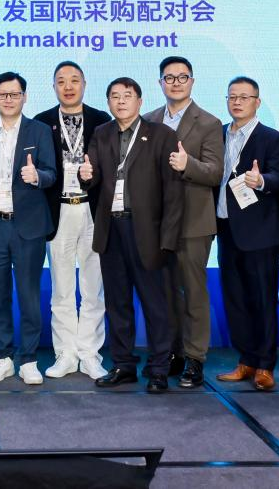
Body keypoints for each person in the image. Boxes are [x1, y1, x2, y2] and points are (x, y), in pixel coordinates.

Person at [81, 77, 184, 393]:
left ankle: (159, 369)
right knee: (117, 303)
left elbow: (173, 191)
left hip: (149, 234)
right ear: (108, 102)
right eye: (114, 96)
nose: (121, 101)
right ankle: (123, 364)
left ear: (140, 101)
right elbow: (92, 175)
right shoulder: (102, 133)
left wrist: (168, 239)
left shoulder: (161, 135)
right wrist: (85, 176)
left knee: (156, 305)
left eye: (127, 95)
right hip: (111, 229)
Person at [0, 73, 57, 385]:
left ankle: (29, 359)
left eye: (14, 94)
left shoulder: (40, 130)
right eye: (2, 95)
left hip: (28, 228)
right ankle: (2, 357)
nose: (8, 99)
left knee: (29, 295)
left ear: (24, 97)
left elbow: (52, 173)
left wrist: (38, 177)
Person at [143, 56, 224, 388]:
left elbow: (214, 172)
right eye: (169, 77)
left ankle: (195, 358)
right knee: (165, 294)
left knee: (193, 293)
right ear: (160, 83)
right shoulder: (148, 120)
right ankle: (172, 353)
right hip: (157, 224)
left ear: (192, 81)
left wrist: (187, 163)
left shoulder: (209, 123)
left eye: (182, 77)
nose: (175, 83)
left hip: (193, 222)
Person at [35, 61, 111, 381]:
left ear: (84, 84)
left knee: (93, 287)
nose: (68, 86)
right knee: (62, 287)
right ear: (53, 87)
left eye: (74, 80)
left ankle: (90, 354)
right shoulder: (42, 122)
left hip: (92, 209)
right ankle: (65, 353)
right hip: (59, 210)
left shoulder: (101, 120)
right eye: (61, 81)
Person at [215, 76, 279, 392]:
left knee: (262, 300)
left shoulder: (272, 138)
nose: (237, 102)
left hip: (259, 232)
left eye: (244, 97)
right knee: (235, 299)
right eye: (232, 96)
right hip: (224, 227)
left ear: (257, 102)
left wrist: (261, 181)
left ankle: (265, 365)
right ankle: (245, 360)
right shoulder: (217, 134)